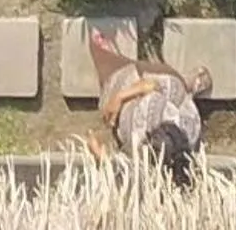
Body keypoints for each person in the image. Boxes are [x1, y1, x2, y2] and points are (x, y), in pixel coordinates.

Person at [87, 25, 209, 181]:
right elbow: (150, 85)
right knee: (163, 81)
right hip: (162, 87)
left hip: (125, 118)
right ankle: (189, 84)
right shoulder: (187, 125)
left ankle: (191, 83)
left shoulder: (141, 171)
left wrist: (98, 153)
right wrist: (120, 97)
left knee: (107, 70)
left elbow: (117, 171)